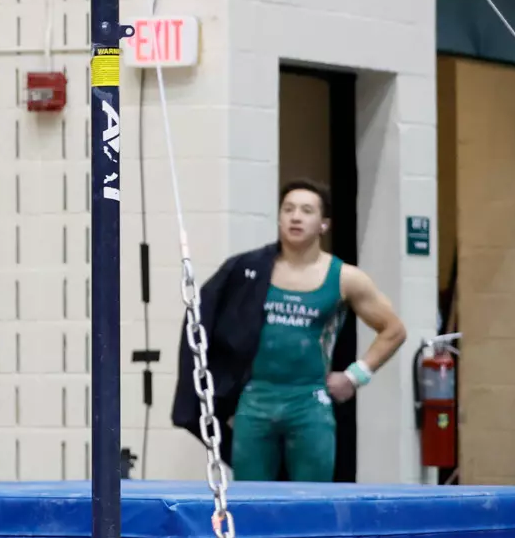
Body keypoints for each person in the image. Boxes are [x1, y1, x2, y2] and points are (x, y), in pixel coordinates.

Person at [171, 179, 407, 481]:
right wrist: (223, 391)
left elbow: (394, 329)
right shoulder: (250, 271)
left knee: (311, 501)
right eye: (288, 209)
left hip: (308, 403)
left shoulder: (345, 278)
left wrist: (355, 376)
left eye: (307, 211)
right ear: (280, 218)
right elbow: (208, 322)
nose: (296, 217)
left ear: (323, 224)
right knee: (251, 503)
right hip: (256, 401)